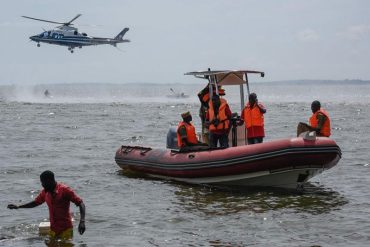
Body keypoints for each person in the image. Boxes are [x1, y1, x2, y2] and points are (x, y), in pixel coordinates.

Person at [7, 170, 86, 240]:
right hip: (53, 229)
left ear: (50, 180)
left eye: (43, 182)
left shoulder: (65, 190)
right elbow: (35, 202)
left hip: (66, 229)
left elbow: (81, 203)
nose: (42, 185)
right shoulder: (45, 192)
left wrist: (82, 221)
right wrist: (18, 206)